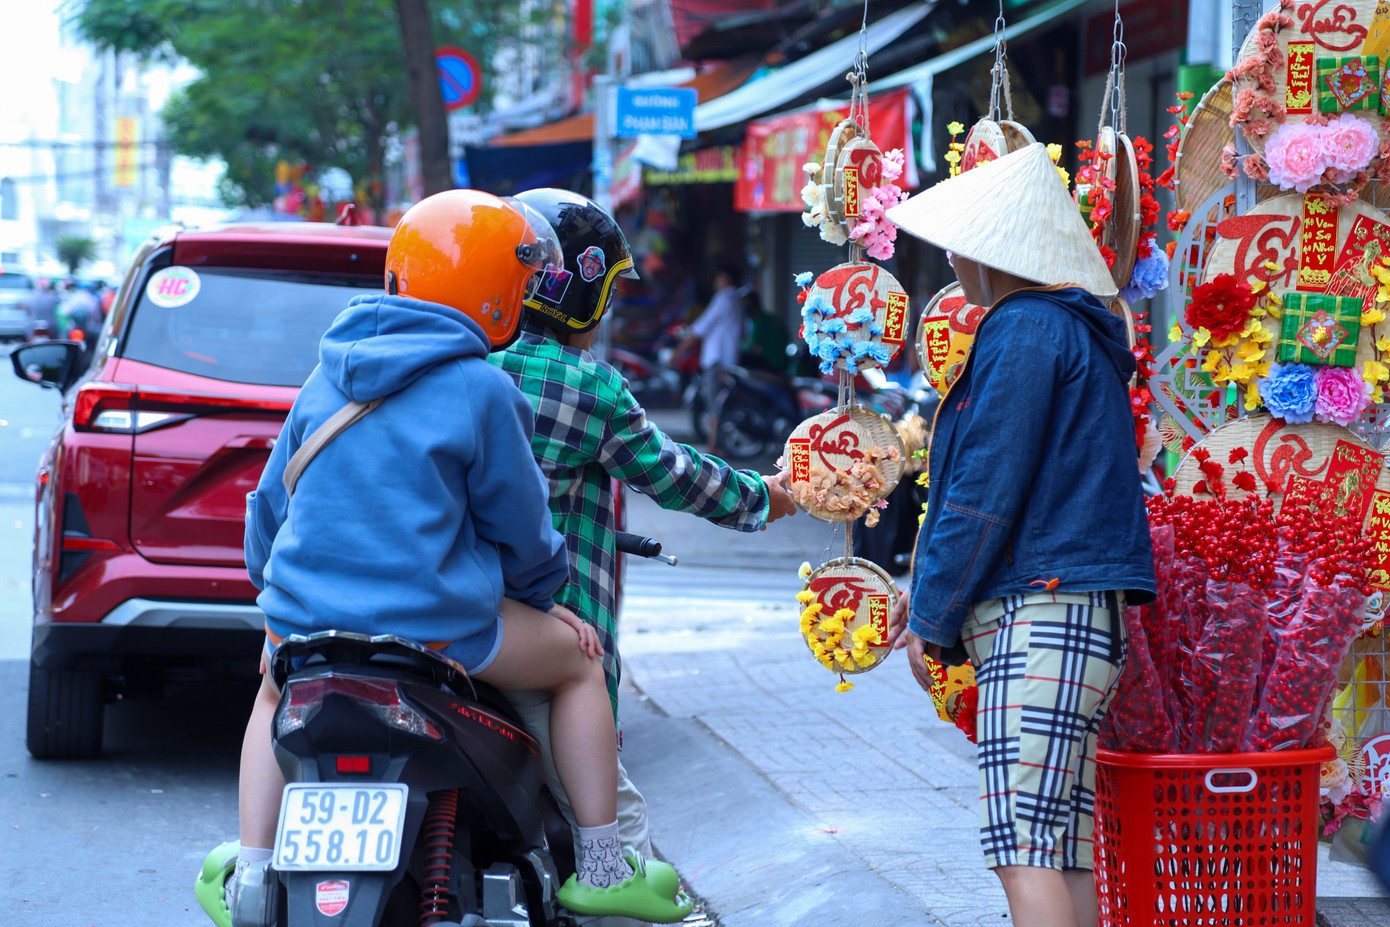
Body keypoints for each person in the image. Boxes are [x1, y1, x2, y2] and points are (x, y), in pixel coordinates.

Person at [195, 190, 692, 927]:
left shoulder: (321, 379)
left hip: (305, 630)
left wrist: (287, 597)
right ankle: (603, 864)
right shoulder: (482, 389)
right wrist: (544, 596)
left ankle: (255, 873)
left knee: (270, 692)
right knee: (579, 664)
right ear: (499, 294)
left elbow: (267, 515)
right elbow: (523, 531)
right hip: (437, 633)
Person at [490, 190, 796, 923]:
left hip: (421, 619)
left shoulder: (464, 362)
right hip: (537, 631)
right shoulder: (585, 385)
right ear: (583, 288)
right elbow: (677, 476)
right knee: (619, 840)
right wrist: (773, 495)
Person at [881, 144, 1156, 927]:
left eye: (961, 240)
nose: (952, 255)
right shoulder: (1066, 328)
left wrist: (929, 618)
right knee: (1060, 844)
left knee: (1023, 844)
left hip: (1042, 615)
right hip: (1072, 617)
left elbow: (983, 491)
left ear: (993, 248)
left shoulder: (1025, 327)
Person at [675, 264, 744, 453]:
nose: (716, 282)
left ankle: (713, 445)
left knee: (716, 405)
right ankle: (716, 444)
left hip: (717, 361)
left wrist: (677, 352)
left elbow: (701, 327)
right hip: (726, 359)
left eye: (719, 277)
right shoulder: (735, 299)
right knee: (719, 404)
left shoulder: (725, 297)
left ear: (726, 279)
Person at [738, 288, 790, 374]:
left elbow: (751, 346)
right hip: (784, 363)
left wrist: (738, 344)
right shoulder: (772, 317)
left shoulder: (760, 322)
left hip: (770, 364)